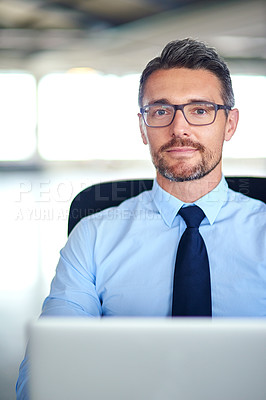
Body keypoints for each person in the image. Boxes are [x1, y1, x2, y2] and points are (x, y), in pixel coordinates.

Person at [16, 38, 266, 399]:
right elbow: (47, 367)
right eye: (161, 111)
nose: (180, 129)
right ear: (142, 126)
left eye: (199, 110)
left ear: (230, 124)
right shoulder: (93, 236)